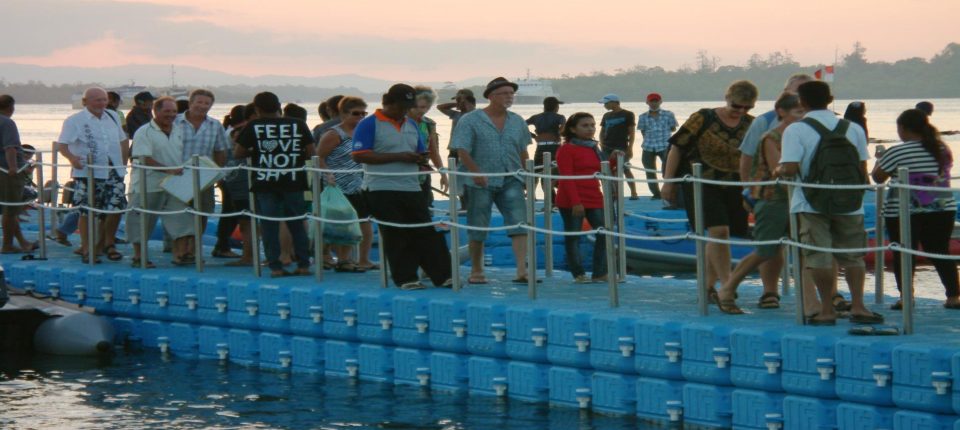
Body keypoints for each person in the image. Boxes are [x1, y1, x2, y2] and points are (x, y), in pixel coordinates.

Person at [779, 80, 881, 325]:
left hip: (811, 202)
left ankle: (826, 309)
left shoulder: (796, 130)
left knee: (818, 256)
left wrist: (777, 171)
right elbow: (861, 167)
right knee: (853, 256)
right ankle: (858, 305)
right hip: (849, 201)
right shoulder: (852, 128)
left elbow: (790, 168)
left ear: (801, 102)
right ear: (830, 98)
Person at [736, 73, 832, 312]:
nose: (799, 98)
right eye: (795, 92)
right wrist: (747, 189)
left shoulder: (819, 122)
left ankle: (818, 299)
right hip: (773, 194)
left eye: (804, 93)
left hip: (808, 196)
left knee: (809, 246)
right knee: (770, 247)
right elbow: (747, 156)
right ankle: (769, 291)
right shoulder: (766, 123)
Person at [662, 80, 757, 312]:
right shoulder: (703, 117)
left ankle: (707, 286)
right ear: (727, 98)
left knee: (722, 235)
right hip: (701, 181)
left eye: (747, 108)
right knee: (718, 230)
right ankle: (727, 285)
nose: (741, 112)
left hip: (735, 184)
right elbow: (677, 147)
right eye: (737, 106)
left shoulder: (751, 125)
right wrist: (668, 182)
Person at [352, 83, 452, 290]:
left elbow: (420, 150)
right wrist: (399, 157)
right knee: (395, 234)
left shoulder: (412, 124)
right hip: (380, 187)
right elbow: (359, 155)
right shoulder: (369, 124)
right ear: (388, 103)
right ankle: (406, 278)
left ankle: (443, 275)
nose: (405, 111)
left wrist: (421, 160)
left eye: (409, 106)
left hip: (411, 186)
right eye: (401, 106)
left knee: (424, 229)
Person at [717, 93, 802, 312]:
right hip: (772, 199)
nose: (803, 116)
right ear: (781, 112)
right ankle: (728, 288)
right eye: (798, 112)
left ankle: (817, 300)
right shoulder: (771, 137)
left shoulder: (800, 135)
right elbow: (780, 173)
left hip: (796, 199)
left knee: (805, 249)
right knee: (765, 250)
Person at [872, 109, 959, 309]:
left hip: (904, 209)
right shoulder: (941, 148)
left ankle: (906, 297)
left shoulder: (897, 151)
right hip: (942, 208)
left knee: (903, 252)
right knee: (939, 251)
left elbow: (878, 178)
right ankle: (954, 296)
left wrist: (880, 158)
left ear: (902, 128)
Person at [451, 77, 532, 285]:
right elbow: (462, 149)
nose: (509, 97)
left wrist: (526, 174)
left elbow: (523, 149)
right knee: (478, 224)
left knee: (519, 222)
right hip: (480, 180)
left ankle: (522, 270)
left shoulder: (517, 120)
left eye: (511, 93)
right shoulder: (470, 120)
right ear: (491, 96)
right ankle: (477, 270)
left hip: (511, 176)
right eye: (504, 93)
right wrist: (475, 173)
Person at [236, 92, 314, 278]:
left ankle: (275, 267)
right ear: (279, 106)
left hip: (265, 180)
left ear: (257, 109)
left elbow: (239, 152)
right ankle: (304, 264)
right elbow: (312, 152)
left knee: (269, 225)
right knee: (297, 223)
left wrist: (259, 151)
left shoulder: (254, 126)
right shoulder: (298, 124)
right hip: (293, 179)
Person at [57, 87, 129, 262]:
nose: (102, 103)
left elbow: (123, 140)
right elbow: (62, 145)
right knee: (86, 210)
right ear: (85, 102)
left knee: (114, 209)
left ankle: (106, 244)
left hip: (113, 171)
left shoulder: (113, 117)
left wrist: (123, 163)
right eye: (97, 100)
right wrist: (73, 159)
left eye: (104, 100)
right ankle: (87, 247)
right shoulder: (74, 120)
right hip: (88, 172)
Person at [127, 97, 192, 268]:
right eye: (167, 111)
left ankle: (180, 255)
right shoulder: (144, 131)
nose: (171, 115)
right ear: (156, 111)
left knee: (182, 217)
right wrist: (168, 169)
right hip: (147, 184)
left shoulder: (178, 129)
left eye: (173, 111)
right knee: (142, 220)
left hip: (174, 183)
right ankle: (138, 257)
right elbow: (143, 158)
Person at [317, 96, 376, 272]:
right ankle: (340, 259)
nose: (360, 117)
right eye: (355, 113)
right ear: (343, 114)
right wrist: (327, 174)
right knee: (340, 223)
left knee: (365, 221)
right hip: (338, 185)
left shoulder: (364, 133)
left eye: (363, 114)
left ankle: (363, 259)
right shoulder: (334, 134)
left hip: (361, 184)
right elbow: (318, 157)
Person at [175, 89, 228, 262]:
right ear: (191, 103)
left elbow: (220, 150)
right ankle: (180, 251)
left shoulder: (215, 125)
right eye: (199, 102)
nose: (202, 106)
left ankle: (194, 249)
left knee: (203, 212)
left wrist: (217, 172)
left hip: (204, 177)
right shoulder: (175, 122)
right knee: (180, 214)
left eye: (207, 104)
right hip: (179, 175)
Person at [555, 112, 608, 283]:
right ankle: (578, 273)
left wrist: (614, 159)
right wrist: (576, 202)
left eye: (592, 125)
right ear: (572, 129)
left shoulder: (593, 148)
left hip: (593, 195)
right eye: (585, 126)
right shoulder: (566, 150)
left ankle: (599, 273)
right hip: (571, 198)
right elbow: (567, 178)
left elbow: (601, 169)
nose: (590, 129)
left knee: (604, 233)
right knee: (573, 236)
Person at [222, 103, 257, 267]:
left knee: (247, 222)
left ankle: (249, 255)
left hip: (246, 190)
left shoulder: (241, 154)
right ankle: (248, 254)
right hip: (237, 190)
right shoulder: (232, 153)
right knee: (244, 222)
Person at [212, 104, 247, 259]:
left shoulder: (229, 130)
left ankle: (222, 245)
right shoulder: (236, 133)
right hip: (234, 177)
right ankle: (222, 245)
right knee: (231, 213)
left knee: (229, 212)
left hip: (228, 175)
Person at [0, 94, 34, 253]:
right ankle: (7, 245)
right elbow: (10, 147)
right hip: (7, 171)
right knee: (11, 209)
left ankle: (22, 242)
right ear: (10, 107)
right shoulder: (7, 123)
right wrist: (13, 167)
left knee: (9, 210)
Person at [409, 86, 448, 204]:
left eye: (425, 107)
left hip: (423, 172)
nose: (421, 111)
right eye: (416, 107)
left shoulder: (429, 124)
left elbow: (434, 151)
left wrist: (443, 174)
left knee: (425, 207)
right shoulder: (399, 122)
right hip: (403, 172)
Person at [636, 92, 677, 202]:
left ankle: (670, 192)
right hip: (648, 146)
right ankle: (656, 193)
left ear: (660, 102)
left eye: (656, 101)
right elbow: (642, 131)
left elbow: (673, 128)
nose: (654, 103)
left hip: (665, 145)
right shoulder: (642, 117)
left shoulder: (669, 114)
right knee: (649, 171)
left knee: (668, 170)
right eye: (651, 101)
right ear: (647, 102)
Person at [598, 94, 638, 199]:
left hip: (622, 146)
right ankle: (613, 193)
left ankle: (634, 192)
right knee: (609, 170)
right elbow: (602, 131)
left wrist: (630, 148)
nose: (605, 105)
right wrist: (601, 144)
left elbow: (632, 132)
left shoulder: (628, 114)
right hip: (607, 147)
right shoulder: (606, 116)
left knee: (625, 169)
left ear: (614, 102)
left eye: (606, 103)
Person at [526, 96, 566, 203]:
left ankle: (531, 197)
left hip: (541, 147)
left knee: (535, 172)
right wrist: (559, 133)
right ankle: (554, 202)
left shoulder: (536, 117)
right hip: (555, 147)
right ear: (556, 106)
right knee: (552, 175)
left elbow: (521, 125)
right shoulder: (560, 117)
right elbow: (563, 127)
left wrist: (534, 136)